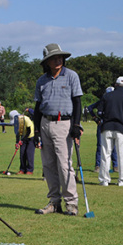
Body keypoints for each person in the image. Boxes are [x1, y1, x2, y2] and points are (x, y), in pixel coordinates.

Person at [33, 43, 82, 216]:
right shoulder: (42, 80)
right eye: (54, 58)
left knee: (64, 164)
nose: (58, 60)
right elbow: (38, 107)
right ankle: (54, 202)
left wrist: (76, 125)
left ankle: (71, 203)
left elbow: (77, 102)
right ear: (47, 62)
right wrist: (36, 132)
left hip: (64, 123)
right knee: (48, 165)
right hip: (45, 123)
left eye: (60, 57)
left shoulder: (71, 76)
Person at [98, 76, 123, 186]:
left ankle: (104, 180)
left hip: (107, 127)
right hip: (122, 128)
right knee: (122, 155)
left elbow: (100, 112)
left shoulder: (107, 96)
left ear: (115, 85)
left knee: (105, 154)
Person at [87, 86, 118, 173]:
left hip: (111, 124)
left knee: (113, 145)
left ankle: (115, 166)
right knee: (100, 146)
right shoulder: (102, 101)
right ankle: (98, 166)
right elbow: (90, 108)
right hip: (102, 125)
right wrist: (95, 118)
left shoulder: (114, 102)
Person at [9, 110, 35, 175]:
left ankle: (30, 170)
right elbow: (17, 133)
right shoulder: (16, 122)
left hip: (31, 137)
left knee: (29, 154)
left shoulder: (26, 119)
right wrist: (17, 142)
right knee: (22, 153)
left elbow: (29, 131)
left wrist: (22, 140)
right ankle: (22, 169)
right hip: (23, 137)